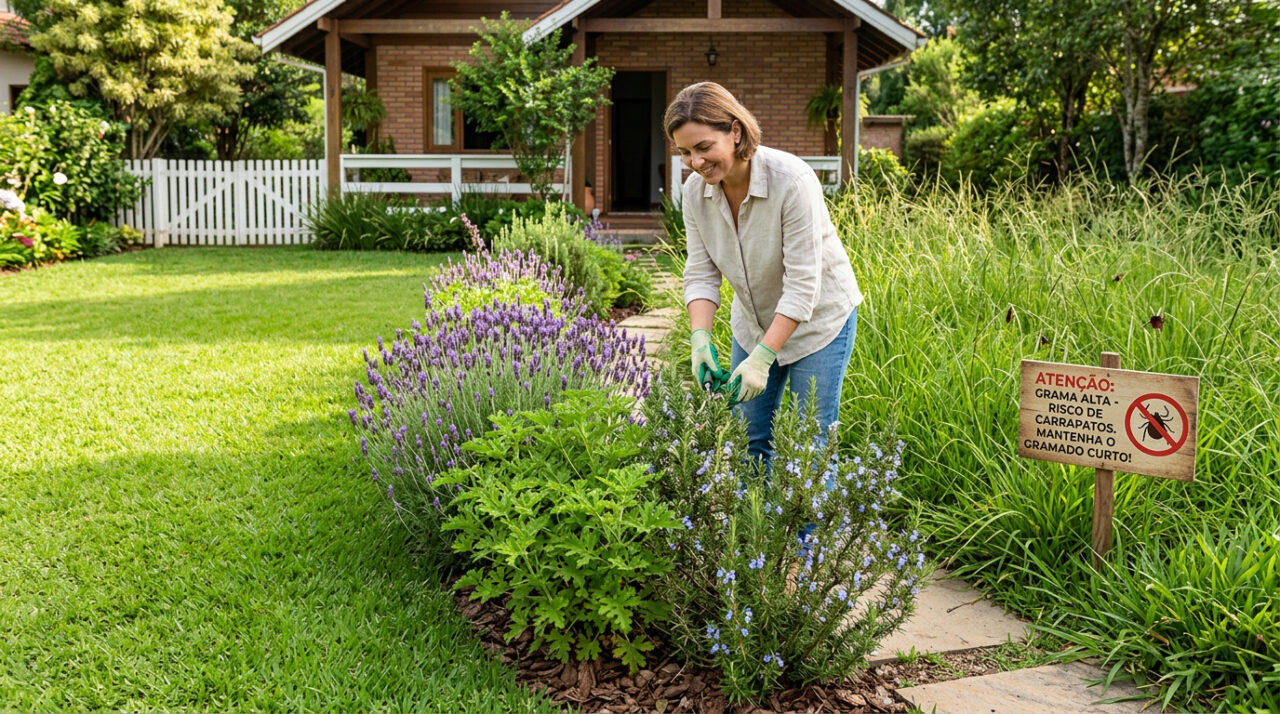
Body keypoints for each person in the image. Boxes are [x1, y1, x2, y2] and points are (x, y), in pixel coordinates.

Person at [664, 81, 863, 466]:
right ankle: (760, 526)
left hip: (819, 325)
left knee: (812, 445)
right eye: (685, 152)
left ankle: (810, 530)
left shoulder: (792, 181)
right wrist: (699, 338)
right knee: (748, 442)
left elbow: (803, 285)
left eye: (704, 147)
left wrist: (762, 360)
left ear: (735, 132)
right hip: (753, 323)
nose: (696, 162)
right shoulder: (694, 193)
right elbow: (701, 272)